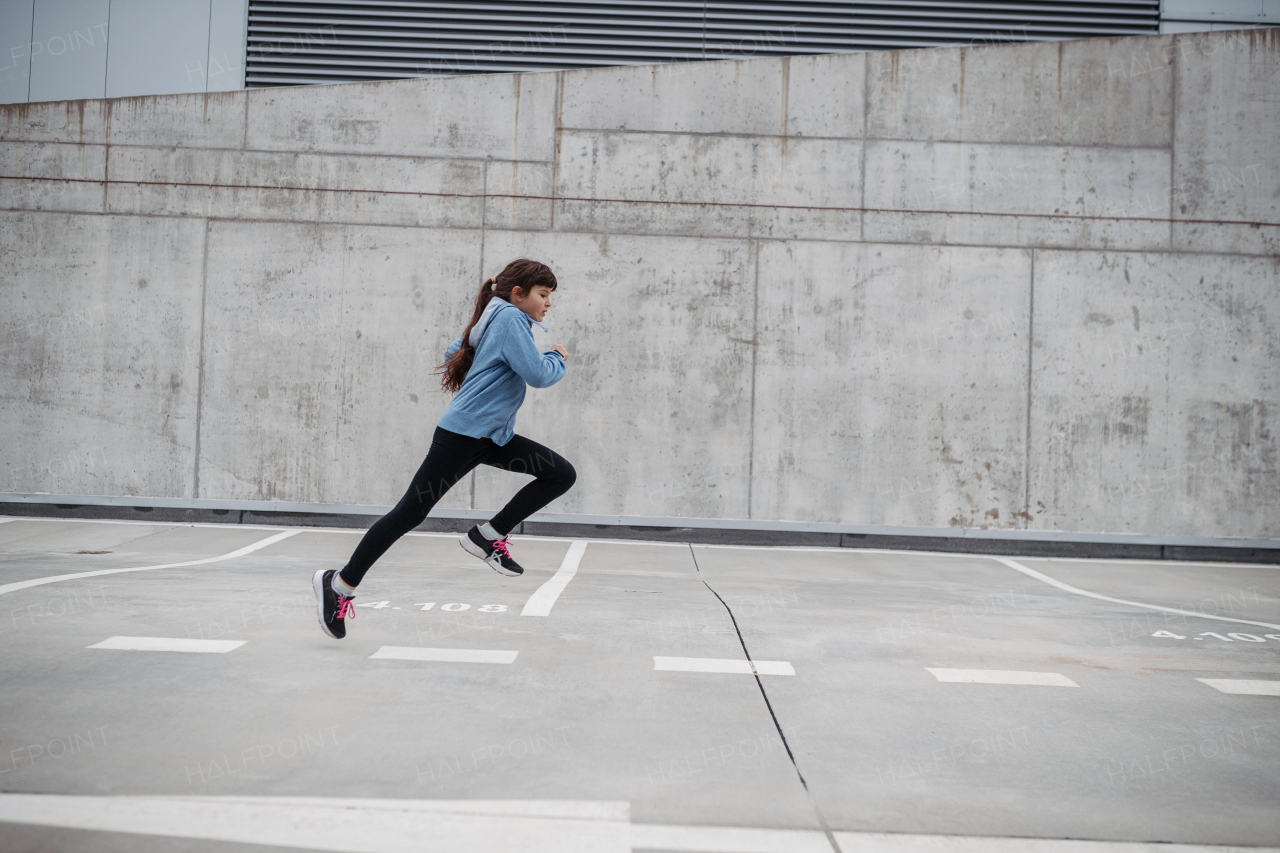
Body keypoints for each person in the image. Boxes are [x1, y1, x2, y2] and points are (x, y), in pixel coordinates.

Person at [313, 259, 576, 639]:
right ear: (519, 294)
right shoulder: (510, 320)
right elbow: (537, 374)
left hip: (491, 437)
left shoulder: (494, 317)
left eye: (550, 296)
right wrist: (557, 358)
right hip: (463, 437)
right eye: (543, 294)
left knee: (560, 473)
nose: (548, 303)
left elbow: (455, 348)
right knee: (409, 513)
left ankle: (488, 535)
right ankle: (339, 584)